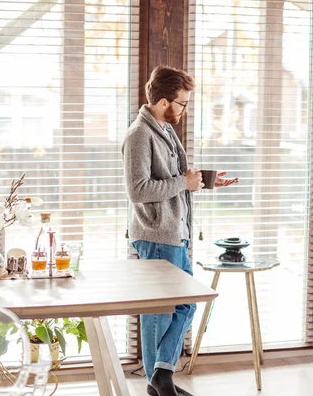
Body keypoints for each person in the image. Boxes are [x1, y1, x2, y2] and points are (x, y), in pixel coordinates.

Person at [122, 65, 238, 396]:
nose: (185, 109)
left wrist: (205, 181)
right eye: (182, 103)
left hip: (176, 234)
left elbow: (174, 178)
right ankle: (158, 382)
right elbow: (138, 190)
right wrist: (182, 182)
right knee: (157, 314)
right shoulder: (139, 135)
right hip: (156, 235)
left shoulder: (164, 129)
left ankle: (161, 378)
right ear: (162, 101)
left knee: (187, 304)